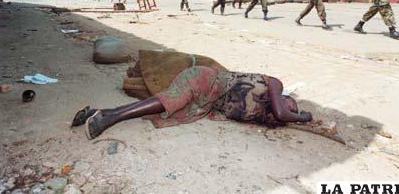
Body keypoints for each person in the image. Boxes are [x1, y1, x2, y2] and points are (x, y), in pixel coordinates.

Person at [71, 65, 313, 139]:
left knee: (166, 111)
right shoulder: (275, 84)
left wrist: (284, 119)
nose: (291, 107)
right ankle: (110, 118)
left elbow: (278, 117)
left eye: (294, 109)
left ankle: (97, 112)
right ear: (285, 98)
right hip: (205, 80)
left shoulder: (258, 115)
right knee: (172, 100)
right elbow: (283, 114)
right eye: (292, 104)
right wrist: (303, 117)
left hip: (204, 104)